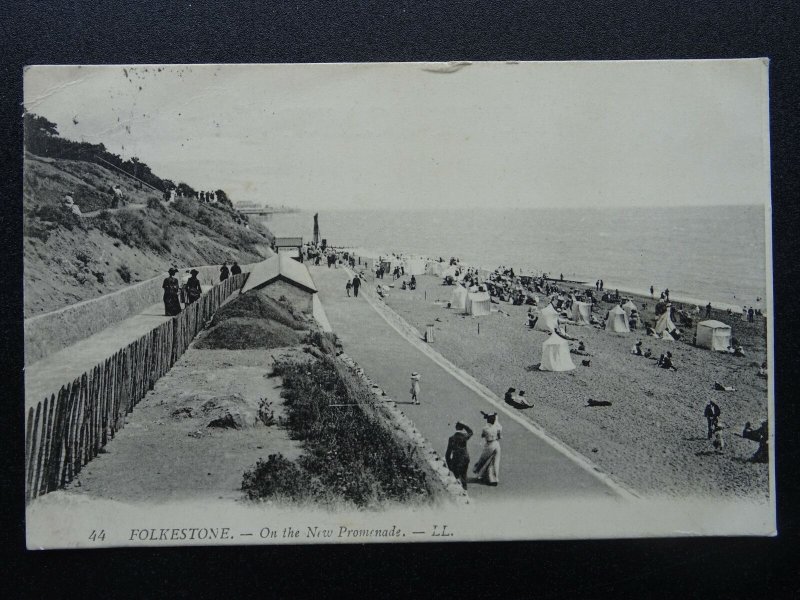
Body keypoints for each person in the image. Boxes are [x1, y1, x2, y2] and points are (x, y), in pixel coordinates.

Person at [473, 412, 502, 486]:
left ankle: (482, 474)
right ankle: (494, 479)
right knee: (495, 462)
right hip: (496, 444)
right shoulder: (497, 427)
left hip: (489, 445)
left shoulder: (485, 428)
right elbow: (499, 436)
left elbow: (482, 435)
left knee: (484, 460)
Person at [445, 421, 474, 489]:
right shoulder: (464, 437)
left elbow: (447, 454)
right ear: (462, 429)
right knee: (464, 476)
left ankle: (459, 491)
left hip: (456, 460)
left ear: (455, 428)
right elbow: (471, 432)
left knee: (457, 477)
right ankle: (465, 489)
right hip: (465, 459)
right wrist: (464, 425)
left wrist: (449, 465)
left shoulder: (451, 438)